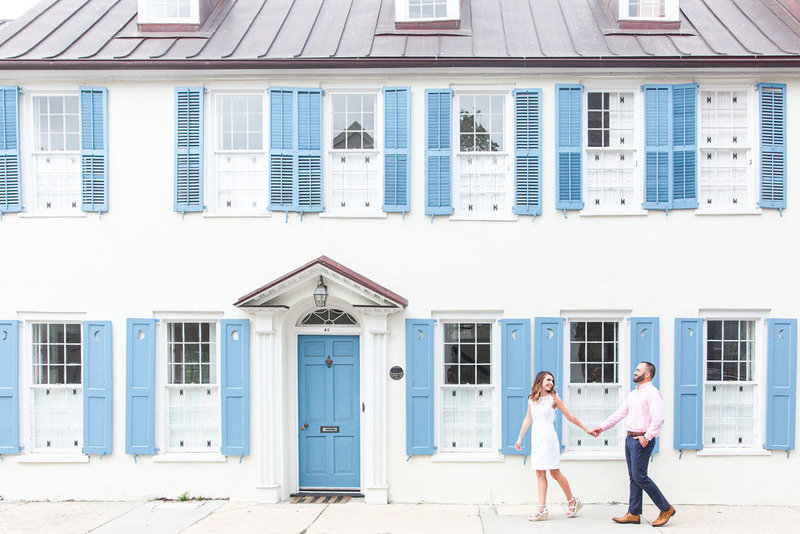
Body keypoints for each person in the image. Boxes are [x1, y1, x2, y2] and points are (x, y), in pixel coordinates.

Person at [590, 361, 676, 527]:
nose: (635, 372)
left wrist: (647, 437)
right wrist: (602, 427)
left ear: (648, 374)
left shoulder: (652, 393)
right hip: (630, 439)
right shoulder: (634, 394)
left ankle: (666, 508)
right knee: (634, 478)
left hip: (641, 440)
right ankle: (634, 513)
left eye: (638, 370)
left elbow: (659, 419)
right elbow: (620, 413)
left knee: (640, 477)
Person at [515, 371, 592, 521]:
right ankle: (542, 508)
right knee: (539, 473)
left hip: (549, 438)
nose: (551, 383)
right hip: (537, 438)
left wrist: (586, 429)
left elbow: (569, 416)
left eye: (552, 381)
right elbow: (527, 419)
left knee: (555, 472)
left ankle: (572, 501)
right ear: (540, 381)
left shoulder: (554, 398)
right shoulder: (532, 399)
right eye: (548, 380)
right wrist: (519, 438)